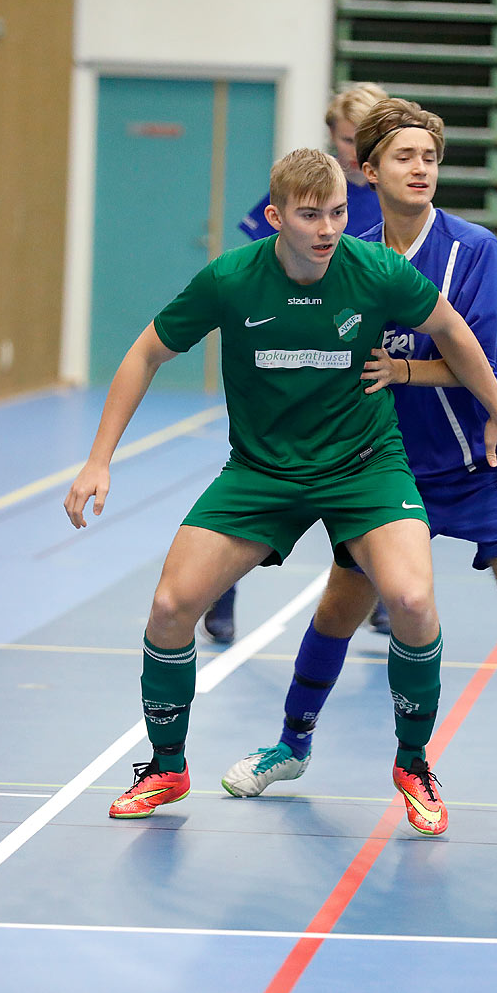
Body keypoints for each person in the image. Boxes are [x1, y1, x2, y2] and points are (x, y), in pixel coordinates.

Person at [64, 147, 497, 837]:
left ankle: (413, 761)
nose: (327, 228)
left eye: (337, 212)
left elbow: (453, 332)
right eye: (310, 215)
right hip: (261, 473)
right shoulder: (231, 280)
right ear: (277, 217)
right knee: (168, 607)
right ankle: (166, 765)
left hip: (365, 466)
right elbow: (146, 352)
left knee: (413, 599)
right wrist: (98, 459)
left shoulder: (376, 271)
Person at [219, 99, 497, 840]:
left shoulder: (473, 250)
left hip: (487, 453)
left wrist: (405, 373)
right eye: (404, 157)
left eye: (430, 158)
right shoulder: (347, 251)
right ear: (369, 170)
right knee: (338, 606)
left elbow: (470, 353)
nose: (421, 168)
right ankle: (290, 746)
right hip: (392, 468)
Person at [203, 81, 392, 646]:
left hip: (358, 370)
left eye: (366, 142)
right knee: (258, 486)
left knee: (370, 485)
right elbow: (251, 268)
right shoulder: (308, 195)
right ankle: (221, 595)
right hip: (288, 373)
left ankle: (376, 594)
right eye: (345, 140)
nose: (355, 153)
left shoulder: (392, 204)